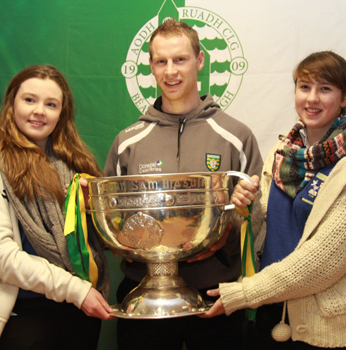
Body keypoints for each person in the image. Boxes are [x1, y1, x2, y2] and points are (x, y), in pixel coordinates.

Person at [203, 51, 346, 349]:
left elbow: (325, 260)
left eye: (325, 89)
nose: (312, 99)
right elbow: (262, 233)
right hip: (270, 314)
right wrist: (246, 206)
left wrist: (243, 294)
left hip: (331, 332)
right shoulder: (281, 154)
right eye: (304, 87)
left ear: (345, 97)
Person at [104, 18, 263, 350]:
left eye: (180, 59)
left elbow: (255, 222)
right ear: (150, 65)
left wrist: (241, 213)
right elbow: (113, 220)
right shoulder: (127, 141)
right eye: (161, 61)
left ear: (200, 60)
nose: (170, 71)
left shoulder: (236, 136)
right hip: (143, 296)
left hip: (215, 297)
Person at [0, 65, 115, 349]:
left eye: (51, 104)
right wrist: (73, 290)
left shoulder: (76, 163)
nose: (39, 111)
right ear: (12, 104)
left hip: (81, 310)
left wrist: (93, 209)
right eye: (29, 100)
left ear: (62, 113)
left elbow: (91, 241)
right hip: (26, 317)